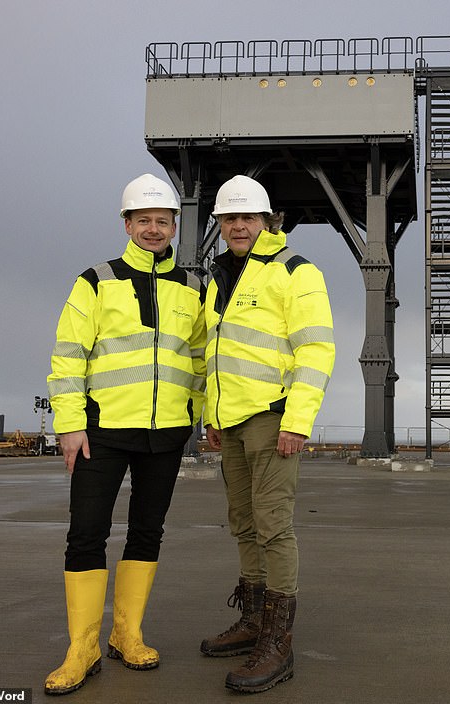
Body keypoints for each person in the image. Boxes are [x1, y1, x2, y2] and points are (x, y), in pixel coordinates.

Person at [44, 173, 206, 695]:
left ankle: (126, 634)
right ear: (127, 224)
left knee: (146, 532)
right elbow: (69, 355)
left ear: (175, 225)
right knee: (86, 533)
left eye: (163, 221)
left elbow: (201, 358)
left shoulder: (192, 287)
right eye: (144, 221)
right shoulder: (95, 281)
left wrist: (195, 415)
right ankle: (81, 647)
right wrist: (69, 424)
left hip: (166, 435)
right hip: (103, 432)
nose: (154, 229)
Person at [200, 175, 335, 693]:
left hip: (273, 418)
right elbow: (218, 354)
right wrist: (211, 416)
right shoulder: (220, 278)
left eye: (247, 218)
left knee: (273, 524)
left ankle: (279, 641)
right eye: (229, 219)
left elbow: (316, 349)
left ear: (266, 221)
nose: (238, 226)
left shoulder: (295, 272)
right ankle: (254, 619)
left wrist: (298, 420)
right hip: (230, 423)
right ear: (220, 224)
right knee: (244, 521)